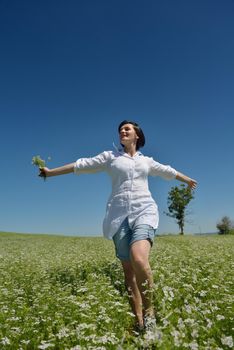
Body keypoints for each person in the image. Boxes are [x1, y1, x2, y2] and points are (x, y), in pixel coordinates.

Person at [39, 120, 197, 333]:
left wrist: (187, 180)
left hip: (144, 211)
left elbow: (167, 171)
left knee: (139, 257)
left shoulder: (146, 161)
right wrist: (50, 172)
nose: (123, 131)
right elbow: (80, 165)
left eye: (127, 128)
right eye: (121, 129)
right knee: (129, 274)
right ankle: (139, 322)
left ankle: (150, 314)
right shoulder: (110, 157)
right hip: (118, 217)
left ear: (137, 136)